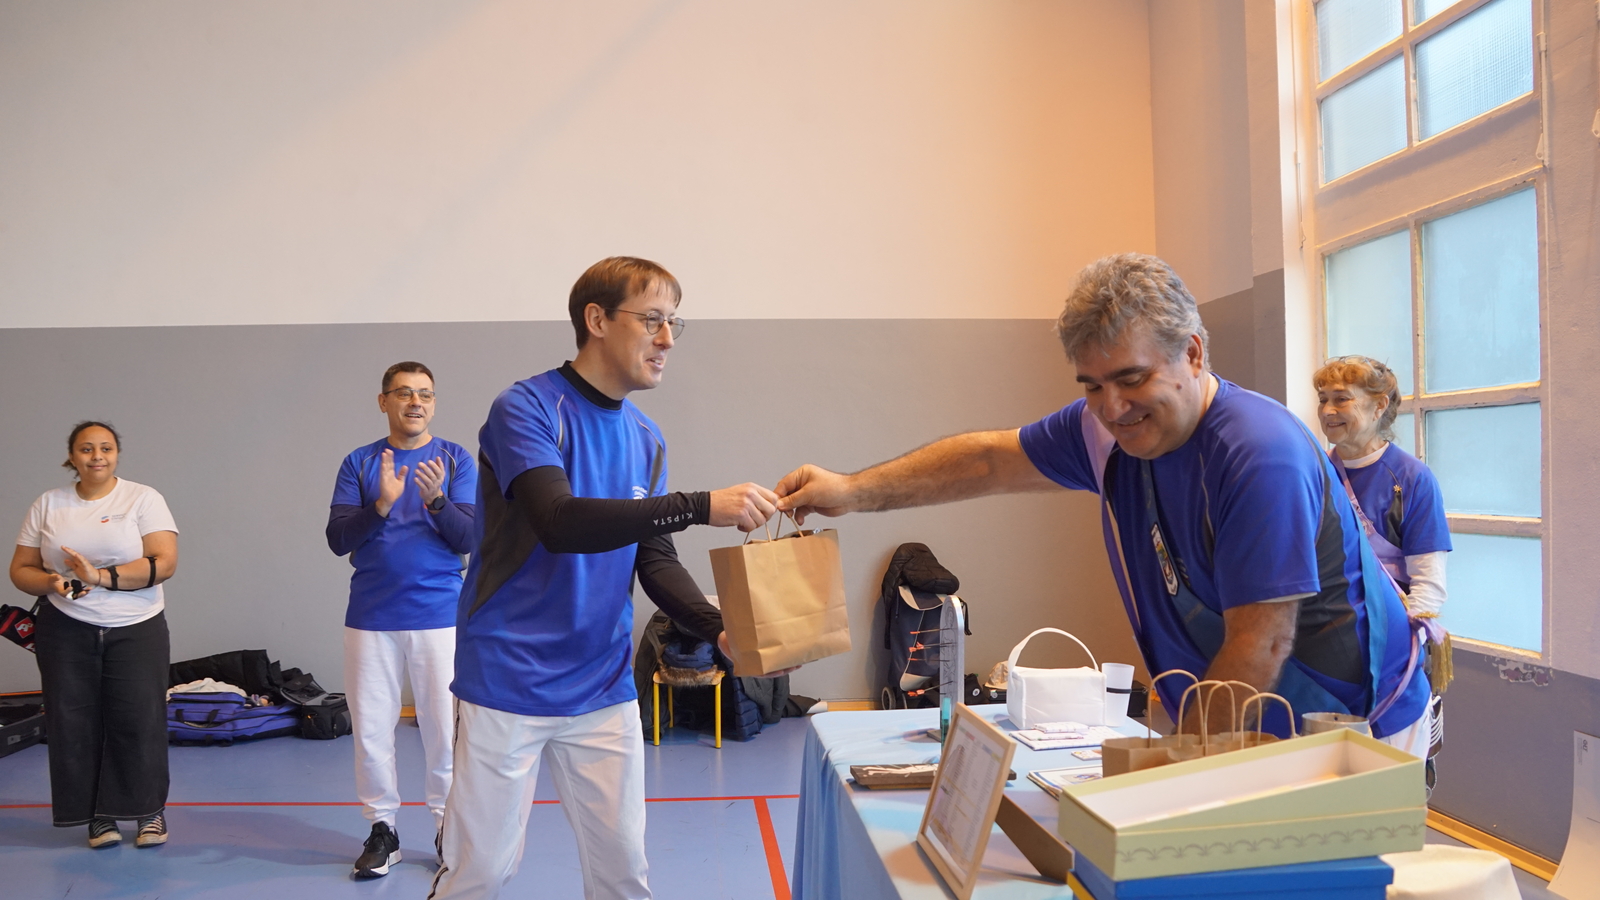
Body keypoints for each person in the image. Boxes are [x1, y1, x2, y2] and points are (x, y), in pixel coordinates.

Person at [776, 253, 1432, 751]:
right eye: (1090, 385)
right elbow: (988, 461)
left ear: (1193, 353)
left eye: (1132, 379)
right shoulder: (1107, 430)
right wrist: (851, 490)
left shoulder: (1259, 454)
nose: (1112, 408)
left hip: (1348, 720)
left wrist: (1175, 774)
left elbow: (1260, 644)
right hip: (1241, 710)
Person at [428, 257, 782, 900]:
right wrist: (700, 504)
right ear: (596, 320)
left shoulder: (646, 437)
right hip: (507, 679)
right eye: (652, 320)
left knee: (623, 876)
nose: (667, 339)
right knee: (480, 873)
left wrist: (717, 630)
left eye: (674, 323)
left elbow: (654, 557)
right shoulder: (526, 407)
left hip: (602, 685)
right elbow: (559, 520)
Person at [326, 361, 477, 878]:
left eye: (425, 394)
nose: (416, 402)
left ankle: (446, 827)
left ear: (434, 403)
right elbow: (338, 539)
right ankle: (382, 830)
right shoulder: (360, 462)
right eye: (405, 393)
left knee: (443, 730)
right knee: (371, 730)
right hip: (370, 617)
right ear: (383, 401)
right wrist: (382, 505)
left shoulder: (455, 459)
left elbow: (469, 538)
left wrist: (436, 501)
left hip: (439, 617)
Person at [8, 421, 180, 849]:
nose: (97, 456)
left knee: (139, 719)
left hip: (137, 626)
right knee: (73, 721)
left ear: (116, 454)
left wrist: (99, 577)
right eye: (86, 449)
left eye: (106, 448)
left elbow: (164, 561)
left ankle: (148, 812)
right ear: (72, 457)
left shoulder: (143, 498)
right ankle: (97, 817)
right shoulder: (48, 504)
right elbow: (21, 570)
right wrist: (52, 582)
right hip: (66, 628)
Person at [1314, 355, 1450, 781]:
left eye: (1341, 399)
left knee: (1391, 779)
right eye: (1322, 399)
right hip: (1325, 641)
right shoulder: (1315, 471)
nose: (1328, 410)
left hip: (1390, 648)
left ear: (1379, 406)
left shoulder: (1411, 478)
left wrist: (1403, 645)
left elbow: (1427, 581)